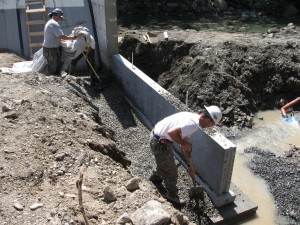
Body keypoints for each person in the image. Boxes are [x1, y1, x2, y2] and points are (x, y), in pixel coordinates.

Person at [149, 105, 222, 205]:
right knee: (171, 170)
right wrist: (184, 143)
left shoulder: (191, 117)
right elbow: (172, 133)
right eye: (212, 124)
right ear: (208, 119)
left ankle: (155, 176)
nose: (210, 126)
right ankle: (172, 194)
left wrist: (190, 165)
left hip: (157, 137)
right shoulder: (193, 124)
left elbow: (184, 146)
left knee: (165, 162)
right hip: (160, 143)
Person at [43, 8, 76, 75]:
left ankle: (56, 80)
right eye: (59, 16)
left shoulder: (50, 22)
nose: (60, 18)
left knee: (56, 65)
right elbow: (61, 36)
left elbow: (57, 36)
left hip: (52, 49)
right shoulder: (54, 24)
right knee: (52, 67)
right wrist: (73, 38)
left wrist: (66, 38)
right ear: (56, 15)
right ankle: (51, 82)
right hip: (51, 50)